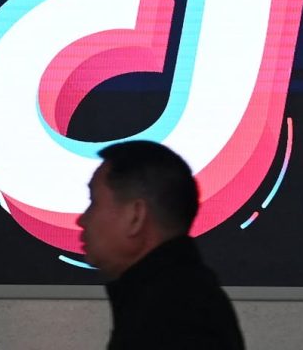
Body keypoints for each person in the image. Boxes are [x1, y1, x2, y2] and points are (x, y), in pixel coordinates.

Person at [77, 140, 245, 349]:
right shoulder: (179, 300)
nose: (82, 220)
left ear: (136, 216)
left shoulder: (176, 317)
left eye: (93, 202)